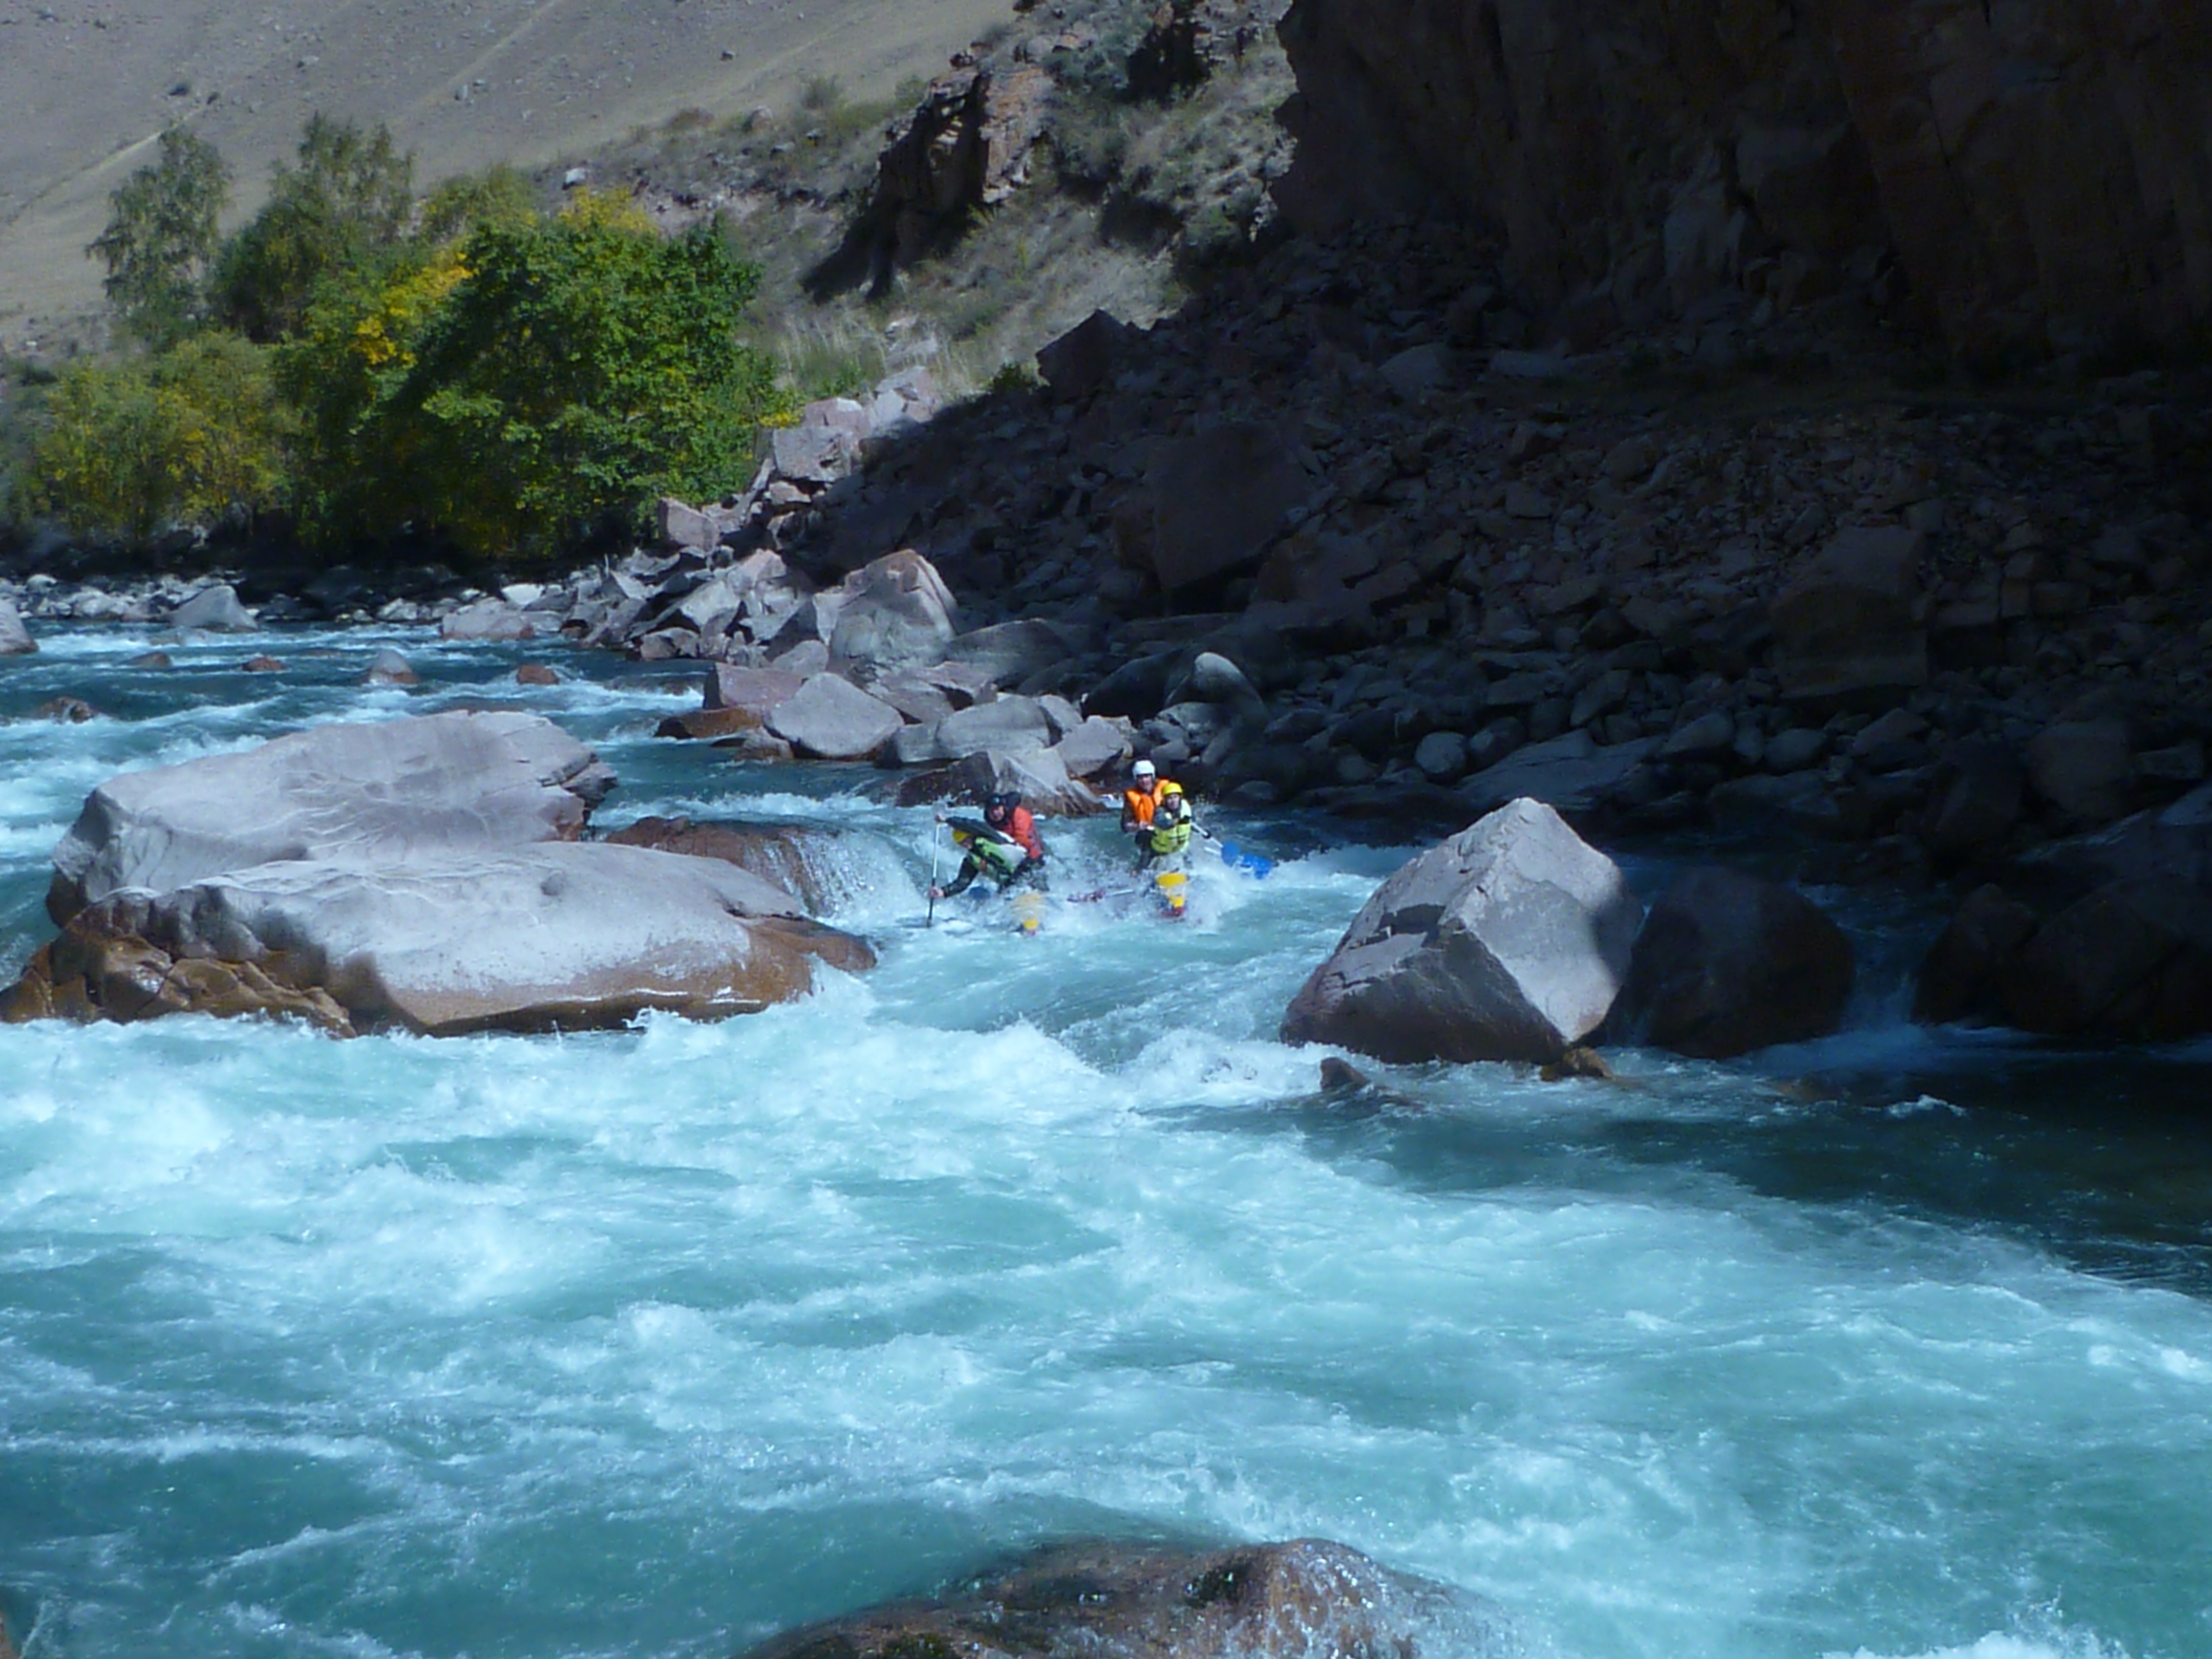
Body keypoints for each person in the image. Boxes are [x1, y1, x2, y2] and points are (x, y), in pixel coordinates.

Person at [930, 792, 1047, 901]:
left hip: (1027, 865)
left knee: (1032, 884)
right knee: (1005, 892)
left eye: (966, 840)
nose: (966, 845)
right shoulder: (971, 859)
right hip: (1012, 880)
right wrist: (943, 892)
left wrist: (948, 820)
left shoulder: (989, 835)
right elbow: (962, 882)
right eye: (962, 844)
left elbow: (971, 824)